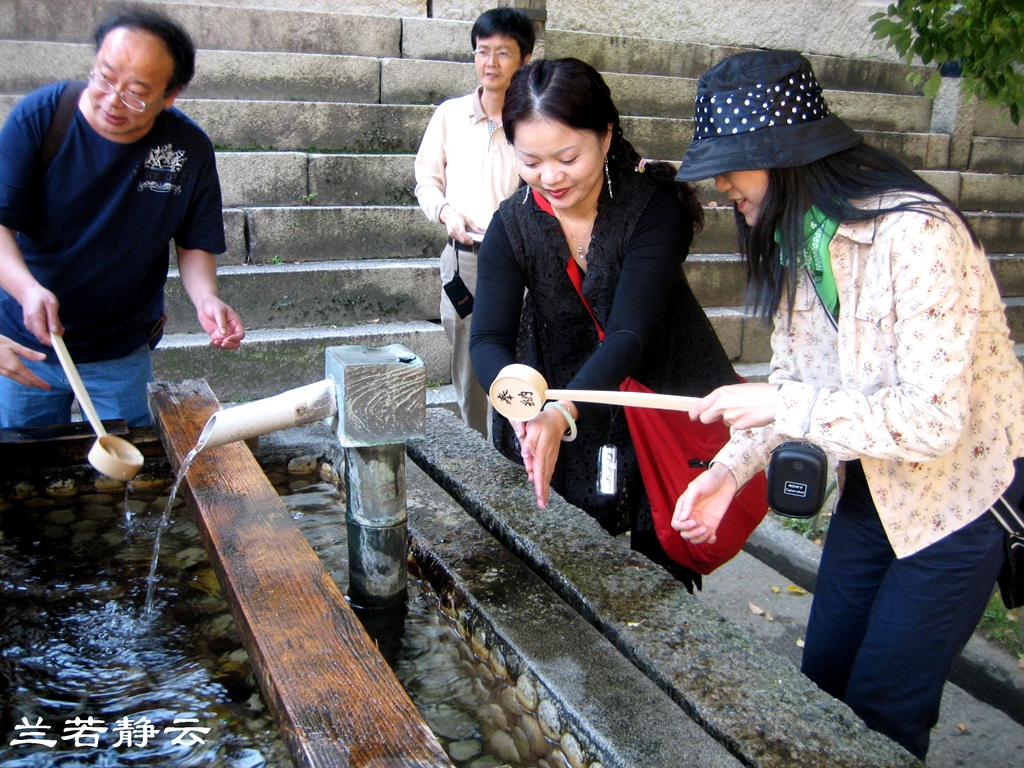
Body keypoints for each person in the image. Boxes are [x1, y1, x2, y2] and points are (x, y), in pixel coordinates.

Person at [671, 50, 1024, 759]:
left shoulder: (918, 235)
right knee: (821, 684)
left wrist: (783, 404)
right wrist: (728, 472)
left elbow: (931, 421)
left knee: (884, 708)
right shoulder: (803, 240)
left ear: (787, 156)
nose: (719, 184)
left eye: (731, 164)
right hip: (876, 481)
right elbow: (795, 381)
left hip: (959, 503)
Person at [470, 58, 742, 589]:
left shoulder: (653, 205)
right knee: (558, 558)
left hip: (648, 390)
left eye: (567, 157)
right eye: (530, 160)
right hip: (555, 385)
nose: (550, 177)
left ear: (606, 134)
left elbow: (629, 335)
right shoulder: (513, 223)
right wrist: (525, 410)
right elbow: (487, 339)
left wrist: (561, 410)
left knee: (655, 557)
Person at [0, 7, 244, 428]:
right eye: (104, 77)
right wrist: (26, 290)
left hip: (120, 350)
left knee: (132, 478)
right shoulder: (41, 117)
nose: (112, 100)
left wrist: (206, 298)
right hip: (29, 345)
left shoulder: (187, 150)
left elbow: (195, 241)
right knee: (26, 470)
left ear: (170, 95)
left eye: (136, 92)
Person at [413, 7, 535, 438]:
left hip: (524, 262)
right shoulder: (449, 115)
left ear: (523, 60)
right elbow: (426, 181)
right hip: (466, 260)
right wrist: (446, 212)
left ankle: (521, 446)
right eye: (483, 52)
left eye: (503, 53)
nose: (491, 63)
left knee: (524, 358)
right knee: (468, 364)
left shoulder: (533, 120)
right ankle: (479, 450)